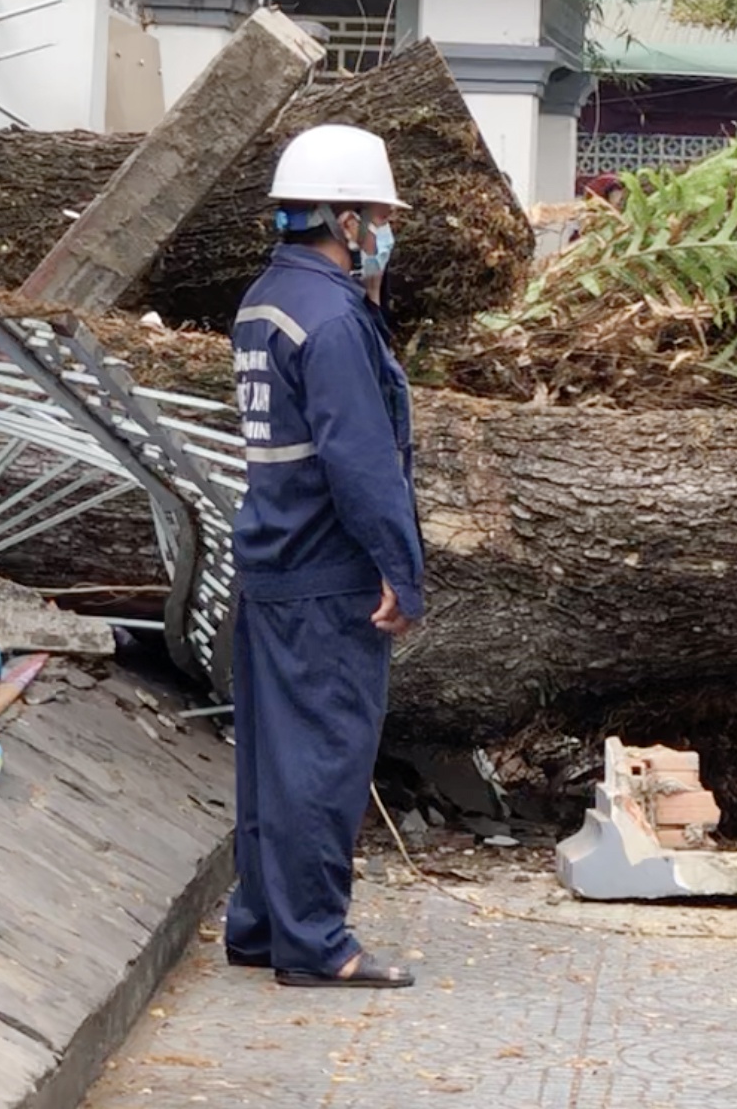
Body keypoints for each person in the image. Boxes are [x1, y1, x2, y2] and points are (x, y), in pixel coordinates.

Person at [224, 123, 424, 988]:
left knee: (271, 759)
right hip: (326, 572)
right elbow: (361, 458)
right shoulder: (335, 321)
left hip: (271, 557)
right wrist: (401, 568)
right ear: (345, 220)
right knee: (324, 757)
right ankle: (316, 944)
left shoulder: (267, 299)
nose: (386, 229)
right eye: (379, 215)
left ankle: (263, 924)